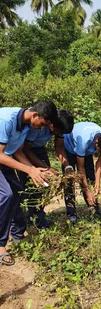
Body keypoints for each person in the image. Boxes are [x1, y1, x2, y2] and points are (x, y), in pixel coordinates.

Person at [0, 101, 57, 266]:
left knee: (17, 192)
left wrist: (34, 169)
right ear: (34, 115)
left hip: (6, 159)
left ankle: (15, 232)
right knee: (6, 195)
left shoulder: (26, 125)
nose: (41, 129)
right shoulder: (6, 120)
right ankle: (1, 246)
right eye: (41, 125)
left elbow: (17, 151)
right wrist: (29, 170)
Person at [21, 110, 74, 229]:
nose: (57, 134)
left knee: (45, 184)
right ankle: (26, 219)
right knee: (30, 186)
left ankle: (36, 215)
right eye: (57, 131)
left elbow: (59, 146)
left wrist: (67, 165)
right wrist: (46, 168)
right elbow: (26, 150)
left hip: (39, 149)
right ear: (52, 124)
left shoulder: (59, 127)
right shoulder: (38, 126)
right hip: (25, 151)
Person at [62, 122, 101, 222]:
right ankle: (71, 214)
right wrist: (87, 191)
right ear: (96, 143)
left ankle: (93, 209)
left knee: (90, 178)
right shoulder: (84, 140)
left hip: (86, 151)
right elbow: (80, 169)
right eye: (100, 151)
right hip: (69, 147)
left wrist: (96, 185)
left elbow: (99, 162)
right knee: (69, 180)